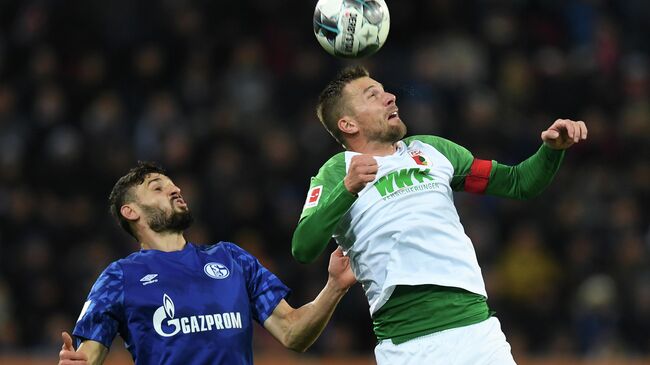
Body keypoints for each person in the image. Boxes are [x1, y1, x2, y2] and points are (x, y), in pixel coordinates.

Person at [291, 66, 588, 364]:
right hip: (408, 343)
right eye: (373, 95)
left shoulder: (433, 151)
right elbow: (303, 248)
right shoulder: (336, 172)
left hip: (478, 332)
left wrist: (551, 150)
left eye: (385, 91)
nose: (391, 98)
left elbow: (518, 182)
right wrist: (347, 188)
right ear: (348, 124)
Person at [58, 162, 356, 365]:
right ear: (131, 211)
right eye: (157, 188)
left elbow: (293, 333)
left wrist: (334, 287)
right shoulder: (120, 278)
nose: (175, 190)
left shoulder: (232, 259)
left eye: (174, 186)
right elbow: (88, 355)